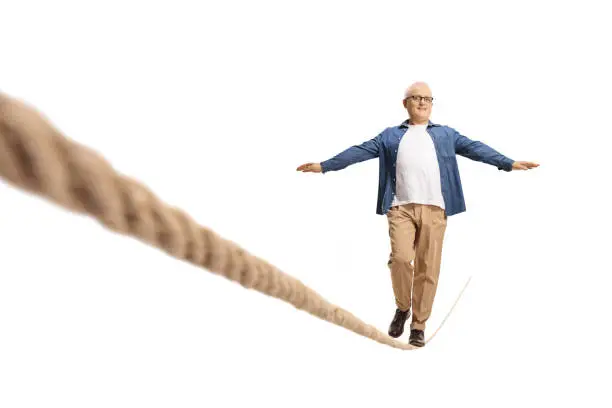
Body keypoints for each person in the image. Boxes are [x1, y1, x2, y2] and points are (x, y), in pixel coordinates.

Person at [296, 82, 539, 347]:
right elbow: (359, 151)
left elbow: (476, 148)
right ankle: (403, 307)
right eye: (416, 98)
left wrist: (508, 163)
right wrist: (325, 166)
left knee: (428, 268)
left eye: (427, 98)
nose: (422, 102)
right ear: (406, 103)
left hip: (435, 209)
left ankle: (418, 325)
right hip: (400, 207)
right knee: (401, 259)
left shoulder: (446, 134)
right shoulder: (389, 136)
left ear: (432, 103)